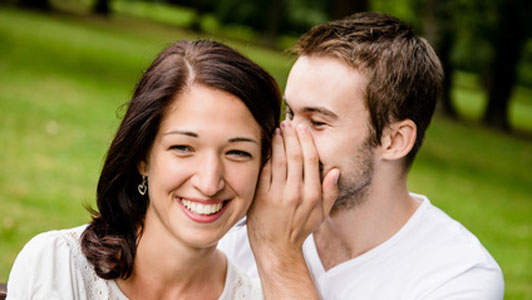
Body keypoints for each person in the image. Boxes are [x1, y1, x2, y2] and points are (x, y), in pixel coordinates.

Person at [218, 12, 505, 299]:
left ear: (394, 140)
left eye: (318, 122)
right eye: (290, 113)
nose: (287, 138)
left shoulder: (458, 275)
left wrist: (278, 254)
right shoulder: (236, 225)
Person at [7, 40, 281, 299]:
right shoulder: (59, 268)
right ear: (142, 157)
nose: (210, 183)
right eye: (183, 148)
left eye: (237, 153)